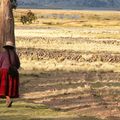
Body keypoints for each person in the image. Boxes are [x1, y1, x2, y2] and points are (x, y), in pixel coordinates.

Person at [0, 41, 20, 107]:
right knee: (9, 87)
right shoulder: (15, 54)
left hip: (4, 71)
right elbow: (18, 64)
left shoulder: (2, 54)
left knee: (4, 87)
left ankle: (8, 100)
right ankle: (8, 100)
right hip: (13, 72)